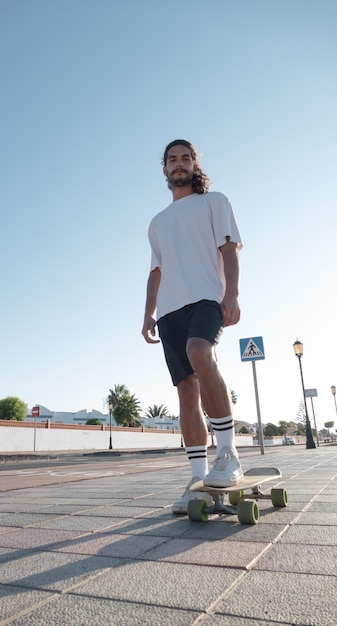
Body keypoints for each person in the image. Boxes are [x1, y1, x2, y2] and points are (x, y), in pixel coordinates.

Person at [141, 139, 244, 514]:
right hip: (169, 311)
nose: (179, 164)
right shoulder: (157, 223)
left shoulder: (214, 202)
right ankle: (198, 478)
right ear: (165, 169)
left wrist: (231, 294)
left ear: (194, 164)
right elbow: (155, 272)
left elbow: (229, 249)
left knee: (200, 352)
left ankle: (228, 454)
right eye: (173, 159)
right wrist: (148, 313)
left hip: (206, 298)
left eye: (186, 158)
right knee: (186, 389)